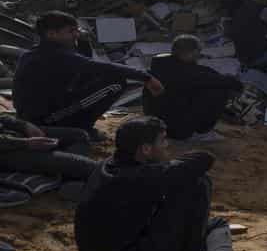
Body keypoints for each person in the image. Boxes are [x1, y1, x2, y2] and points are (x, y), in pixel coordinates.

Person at [73, 116, 267, 251]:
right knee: (197, 182)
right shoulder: (142, 177)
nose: (167, 145)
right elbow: (203, 159)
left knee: (215, 224)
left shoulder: (106, 166)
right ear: (145, 149)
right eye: (162, 141)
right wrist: (171, 168)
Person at [15, 11, 164, 135]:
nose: (76, 35)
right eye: (71, 31)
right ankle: (83, 127)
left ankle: (77, 123)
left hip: (35, 114)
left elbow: (85, 68)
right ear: (52, 34)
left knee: (93, 76)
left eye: (76, 30)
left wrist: (83, 43)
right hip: (45, 119)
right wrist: (147, 78)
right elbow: (97, 66)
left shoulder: (34, 53)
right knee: (116, 83)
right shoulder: (56, 55)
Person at [143, 35, 242, 143]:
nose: (199, 55)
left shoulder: (158, 66)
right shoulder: (191, 72)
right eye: (198, 51)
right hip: (177, 132)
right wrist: (238, 86)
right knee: (219, 91)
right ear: (191, 53)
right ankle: (202, 133)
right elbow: (222, 81)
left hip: (155, 125)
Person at [0, 113, 96, 190]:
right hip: (7, 151)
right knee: (83, 164)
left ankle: (66, 178)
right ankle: (68, 172)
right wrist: (25, 143)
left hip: (10, 133)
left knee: (79, 136)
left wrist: (24, 125)